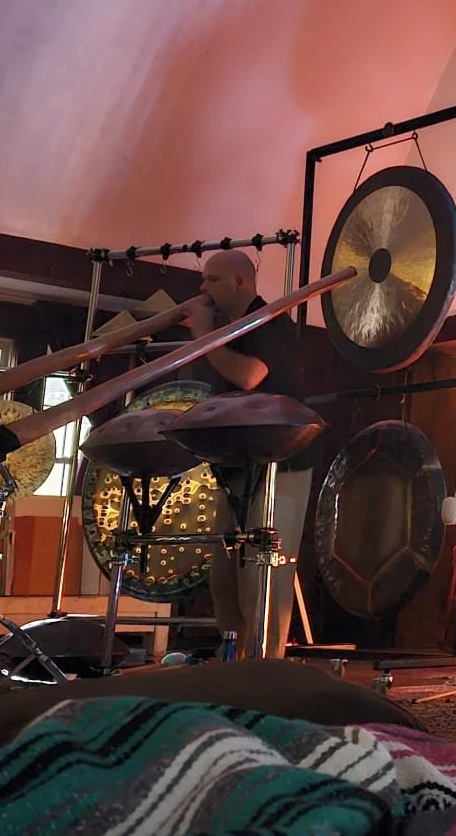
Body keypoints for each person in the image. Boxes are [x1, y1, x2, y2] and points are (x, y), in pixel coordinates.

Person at [181, 249, 313, 658]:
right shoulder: (231, 329)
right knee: (225, 580)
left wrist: (203, 336)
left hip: (280, 467)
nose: (203, 287)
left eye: (213, 279)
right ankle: (233, 667)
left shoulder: (270, 321)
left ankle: (262, 671)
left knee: (262, 578)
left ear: (239, 282)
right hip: (236, 466)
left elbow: (251, 375)